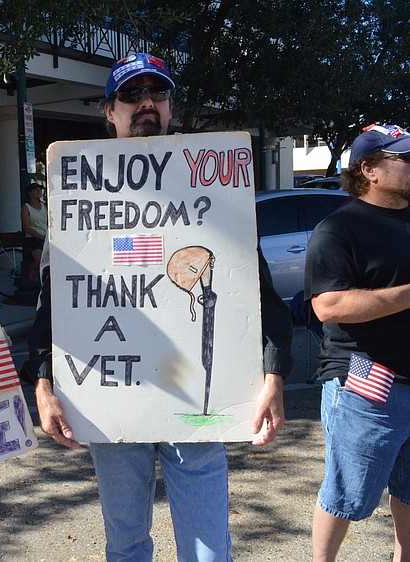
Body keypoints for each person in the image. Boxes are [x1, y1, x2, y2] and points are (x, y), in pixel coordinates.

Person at [27, 53, 294, 562]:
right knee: (125, 546)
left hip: (197, 400)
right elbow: (53, 307)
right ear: (110, 111)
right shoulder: (79, 192)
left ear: (170, 107)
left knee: (210, 550)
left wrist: (274, 378)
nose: (147, 102)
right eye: (132, 94)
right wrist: (43, 383)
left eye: (158, 92)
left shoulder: (215, 190)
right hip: (114, 401)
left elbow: (256, 296)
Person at [306, 124, 410, 562]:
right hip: (367, 379)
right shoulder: (340, 228)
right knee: (347, 490)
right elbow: (327, 306)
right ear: (369, 169)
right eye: (404, 159)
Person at [20, 181, 47, 283]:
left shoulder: (44, 206)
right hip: (33, 238)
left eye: (40, 189)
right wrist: (40, 236)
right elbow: (26, 227)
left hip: (46, 236)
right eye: (36, 190)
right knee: (40, 260)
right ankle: (32, 267)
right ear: (30, 193)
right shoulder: (26, 207)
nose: (38, 191)